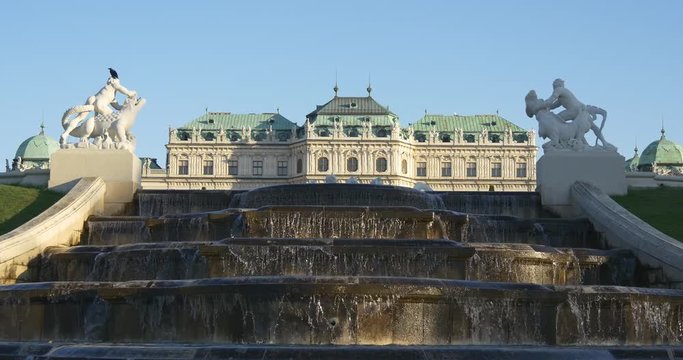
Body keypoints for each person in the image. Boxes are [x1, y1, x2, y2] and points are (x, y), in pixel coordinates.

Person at [60, 70, 137, 144]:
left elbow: (117, 107)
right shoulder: (114, 85)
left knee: (80, 118)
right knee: (113, 119)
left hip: (92, 98)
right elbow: (126, 92)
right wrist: (133, 93)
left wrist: (125, 106)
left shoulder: (110, 93)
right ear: (114, 80)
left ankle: (65, 134)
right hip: (100, 103)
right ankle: (105, 137)